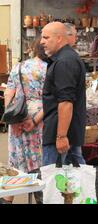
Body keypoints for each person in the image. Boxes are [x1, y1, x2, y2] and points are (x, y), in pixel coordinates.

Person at [1, 38, 47, 204]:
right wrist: (34, 120)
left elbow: (8, 93)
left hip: (18, 116)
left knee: (15, 161)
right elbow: (51, 100)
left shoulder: (18, 67)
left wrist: (13, 117)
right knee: (38, 160)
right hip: (38, 118)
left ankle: (7, 199)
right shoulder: (49, 69)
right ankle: (40, 197)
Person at [40, 21, 87, 166]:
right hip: (63, 132)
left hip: (60, 134)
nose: (42, 42)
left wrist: (61, 136)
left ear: (59, 38)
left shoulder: (65, 61)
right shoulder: (64, 58)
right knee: (71, 182)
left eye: (46, 38)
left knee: (53, 183)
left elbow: (66, 102)